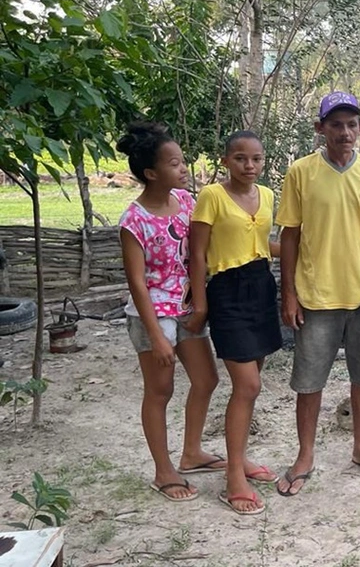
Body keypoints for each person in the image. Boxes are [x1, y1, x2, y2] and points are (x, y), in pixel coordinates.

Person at [275, 91, 360, 496]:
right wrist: (288, 293)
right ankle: (305, 455)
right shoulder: (301, 172)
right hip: (316, 296)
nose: (345, 132)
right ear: (320, 128)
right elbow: (289, 235)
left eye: (352, 124)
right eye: (336, 124)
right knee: (309, 382)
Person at [117, 122, 223, 503]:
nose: (183, 168)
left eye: (182, 161)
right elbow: (137, 282)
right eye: (175, 163)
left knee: (207, 379)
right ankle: (164, 471)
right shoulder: (134, 220)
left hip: (187, 307)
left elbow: (198, 252)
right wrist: (157, 335)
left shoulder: (187, 203)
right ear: (150, 172)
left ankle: (192, 452)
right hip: (152, 315)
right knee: (160, 391)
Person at [189, 130, 283, 515]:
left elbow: (262, 243)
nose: (250, 166)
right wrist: (199, 303)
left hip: (261, 286)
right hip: (226, 290)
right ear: (225, 160)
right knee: (248, 384)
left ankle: (237, 458)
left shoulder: (268, 197)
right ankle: (233, 482)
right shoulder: (211, 196)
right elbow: (197, 254)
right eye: (241, 158)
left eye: (257, 159)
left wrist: (307, 244)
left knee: (249, 387)